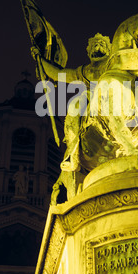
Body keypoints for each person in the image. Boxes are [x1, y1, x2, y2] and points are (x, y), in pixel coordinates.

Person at [31, 33, 111, 172]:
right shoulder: (83, 71)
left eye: (102, 45)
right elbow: (57, 73)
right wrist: (41, 58)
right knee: (74, 110)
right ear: (88, 52)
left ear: (109, 51)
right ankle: (72, 154)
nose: (97, 47)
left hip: (113, 95)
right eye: (94, 45)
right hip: (89, 98)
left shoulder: (117, 65)